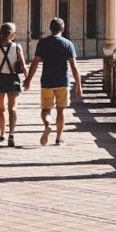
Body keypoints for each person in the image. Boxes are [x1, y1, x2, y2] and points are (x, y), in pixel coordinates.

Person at [25, 17, 83, 146]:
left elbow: (34, 64)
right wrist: (78, 85)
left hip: (47, 81)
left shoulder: (43, 43)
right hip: (63, 81)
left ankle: (47, 124)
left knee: (46, 109)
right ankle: (58, 138)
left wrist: (28, 80)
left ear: (50, 29)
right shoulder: (68, 44)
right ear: (63, 29)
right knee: (61, 111)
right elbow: (74, 66)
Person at [0, 22, 26, 147]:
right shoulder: (17, 47)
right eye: (15, 32)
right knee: (12, 108)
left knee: (1, 109)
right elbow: (23, 66)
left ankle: (2, 134)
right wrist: (27, 79)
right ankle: (11, 134)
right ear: (12, 34)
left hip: (0, 79)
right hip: (13, 79)